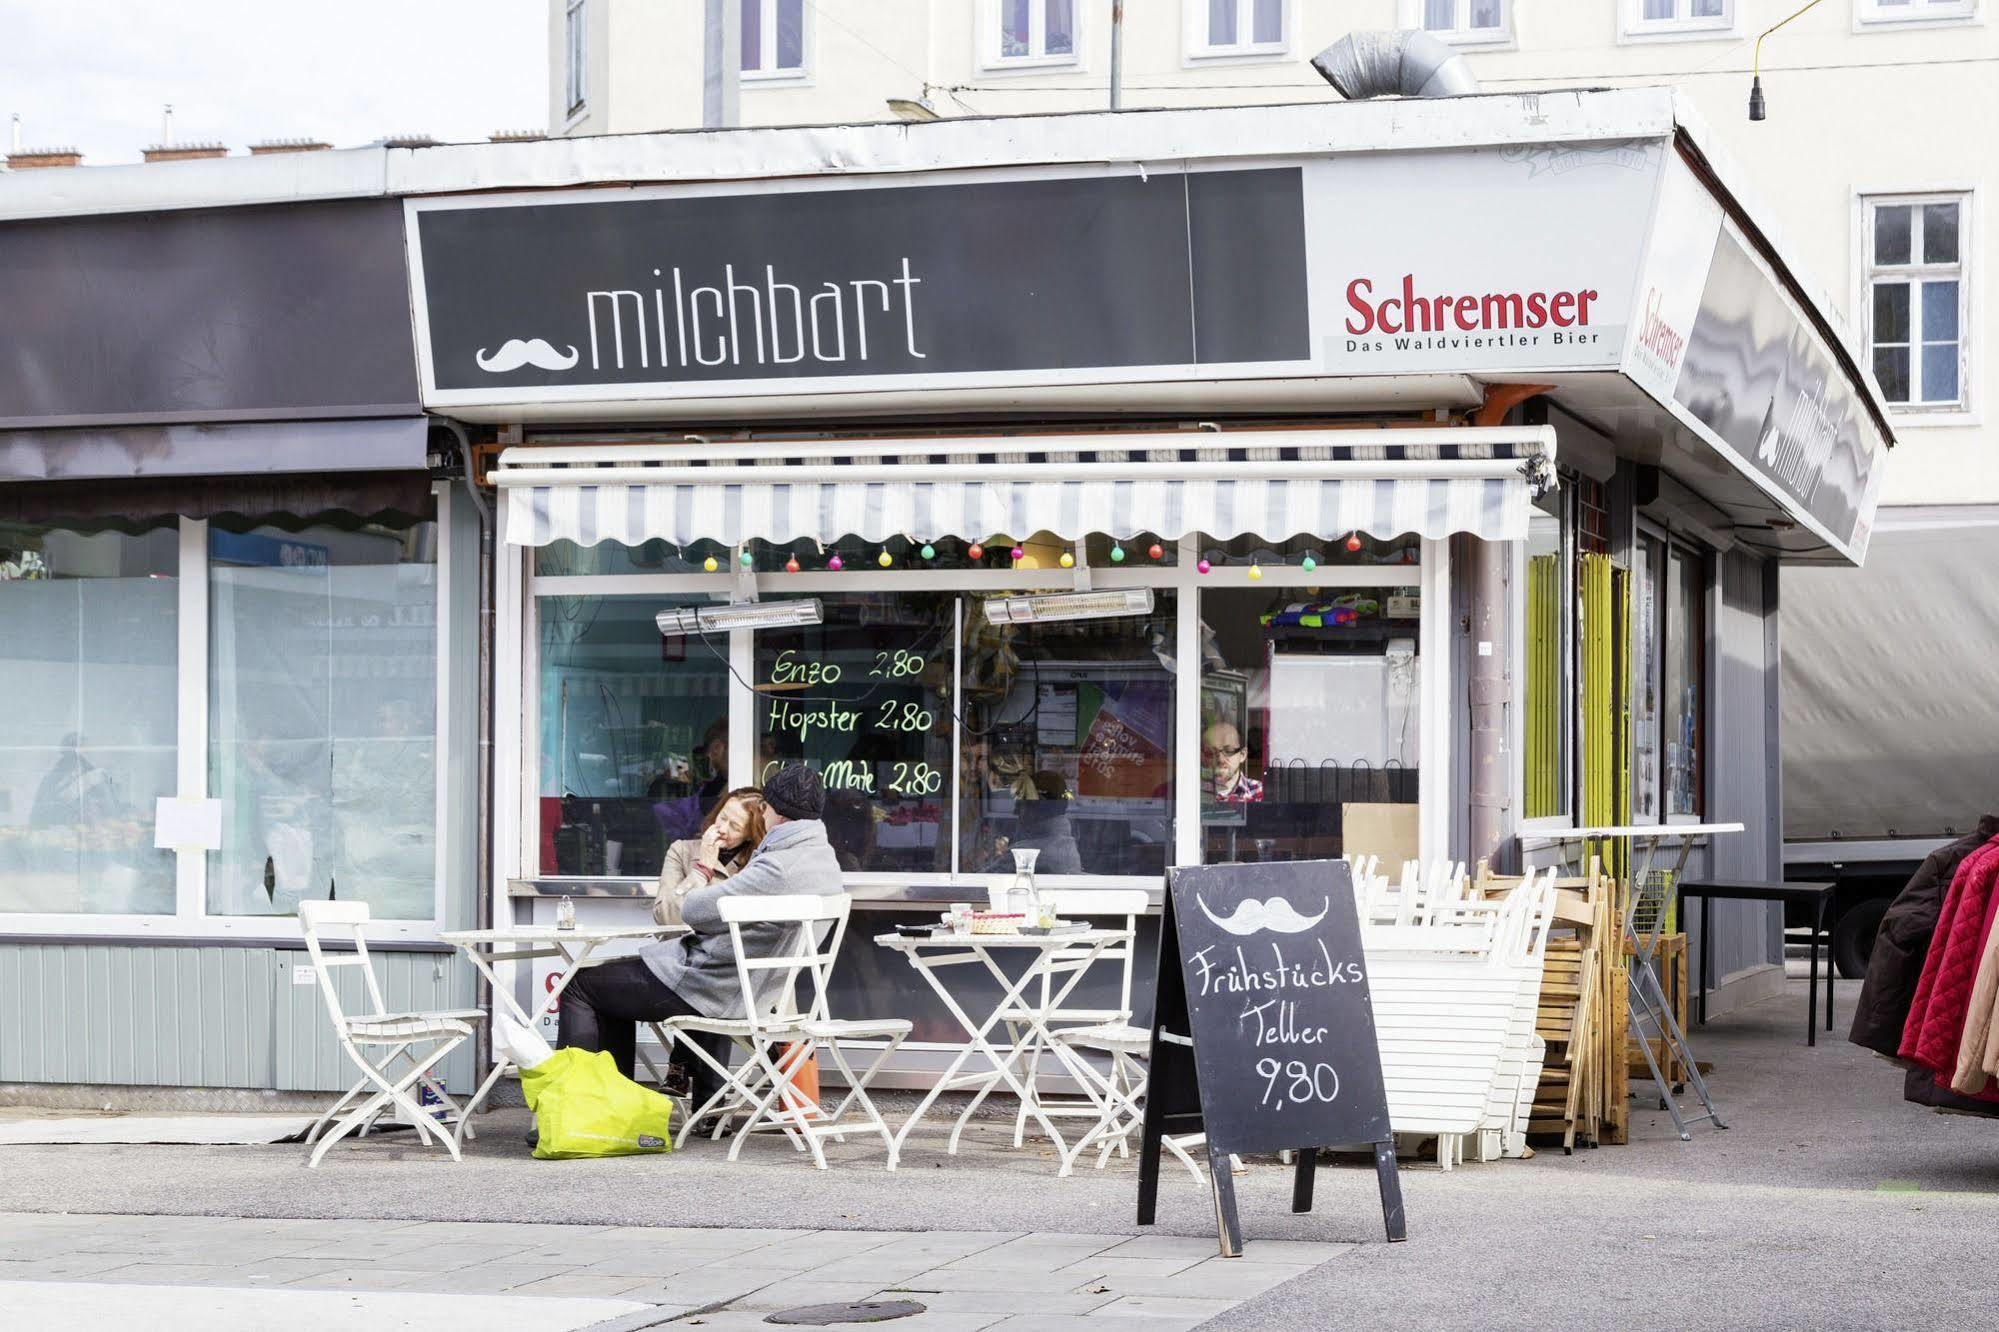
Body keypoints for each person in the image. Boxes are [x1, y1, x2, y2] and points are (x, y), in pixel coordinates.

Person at [557, 765, 843, 1115]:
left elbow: (695, 910)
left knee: (581, 986)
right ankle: (613, 1109)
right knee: (609, 990)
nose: (763, 814)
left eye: (765, 808)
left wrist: (703, 871)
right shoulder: (824, 861)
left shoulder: (776, 865)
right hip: (752, 989)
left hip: (711, 987)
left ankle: (577, 1111)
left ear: (778, 814)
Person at [653, 787, 767, 926]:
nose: (723, 829)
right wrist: (702, 870)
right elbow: (666, 918)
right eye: (723, 817)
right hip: (683, 945)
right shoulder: (681, 850)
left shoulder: (758, 863)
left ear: (750, 834)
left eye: (735, 827)